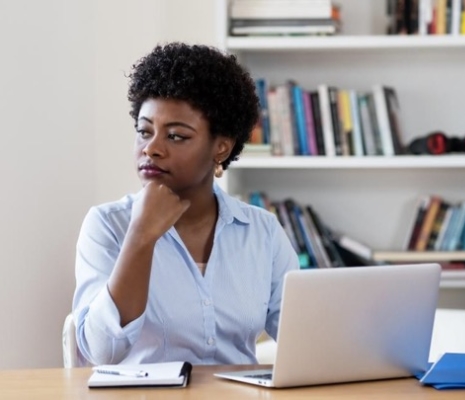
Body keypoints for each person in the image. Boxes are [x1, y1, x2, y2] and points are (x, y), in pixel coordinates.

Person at [72, 42, 299, 366]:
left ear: (220, 147)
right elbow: (102, 352)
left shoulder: (262, 232)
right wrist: (140, 237)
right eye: (144, 131)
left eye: (175, 136)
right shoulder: (107, 225)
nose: (151, 149)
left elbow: (302, 338)